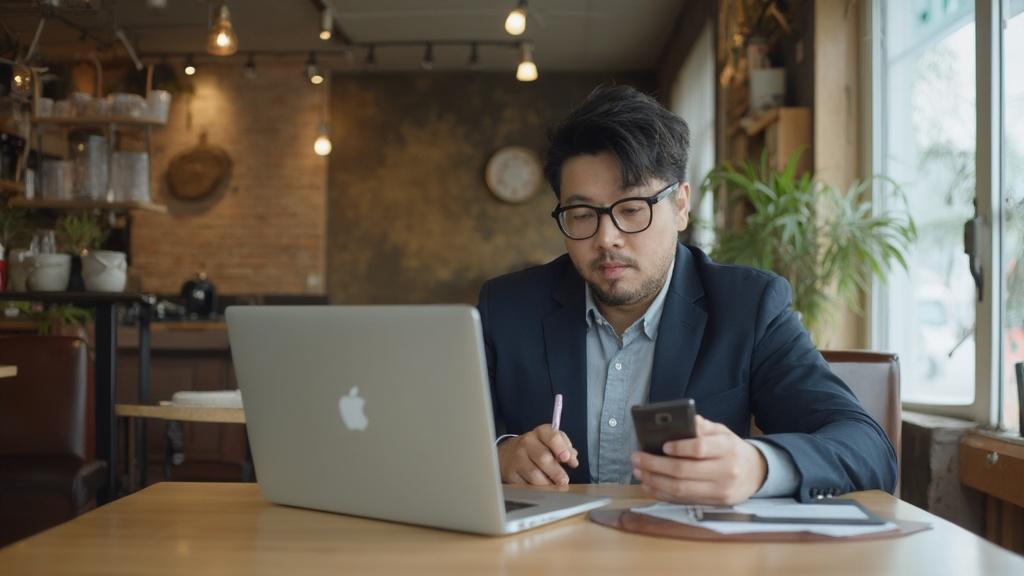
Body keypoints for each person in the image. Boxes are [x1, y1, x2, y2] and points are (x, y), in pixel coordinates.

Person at [477, 85, 896, 505]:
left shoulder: (748, 306)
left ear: (680, 205)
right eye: (582, 214)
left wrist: (758, 466)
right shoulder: (508, 309)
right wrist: (497, 456)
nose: (606, 238)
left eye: (632, 209)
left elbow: (867, 447)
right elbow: (444, 439)